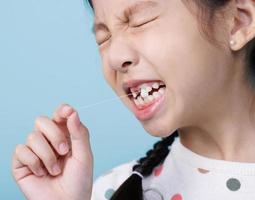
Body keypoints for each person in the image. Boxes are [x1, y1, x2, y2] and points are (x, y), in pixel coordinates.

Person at [12, 0, 255, 199]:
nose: (115, 57)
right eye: (103, 39)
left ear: (237, 22)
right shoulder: (110, 191)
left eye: (141, 22)